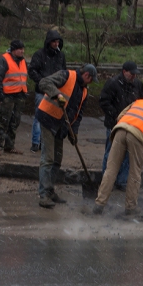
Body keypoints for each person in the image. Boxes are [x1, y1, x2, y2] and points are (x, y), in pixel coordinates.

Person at [92, 96, 143, 216]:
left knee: (111, 169)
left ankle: (99, 205)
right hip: (138, 136)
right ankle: (130, 208)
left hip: (120, 130)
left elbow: (120, 116)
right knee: (134, 172)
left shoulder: (139, 102)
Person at [36, 64, 98, 209]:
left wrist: (73, 132)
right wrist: (57, 95)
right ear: (87, 75)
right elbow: (44, 82)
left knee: (57, 160)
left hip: (61, 126)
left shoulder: (84, 92)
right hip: (48, 118)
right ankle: (44, 195)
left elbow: (79, 113)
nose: (90, 83)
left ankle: (50, 191)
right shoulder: (66, 75)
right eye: (91, 80)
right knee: (48, 158)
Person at [99, 61, 143, 192]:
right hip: (114, 125)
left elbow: (142, 102)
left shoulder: (137, 85)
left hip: (131, 126)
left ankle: (121, 181)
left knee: (127, 154)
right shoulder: (112, 83)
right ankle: (107, 181)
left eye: (135, 74)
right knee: (110, 153)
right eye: (132, 74)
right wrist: (116, 115)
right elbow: (104, 101)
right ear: (124, 71)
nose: (134, 77)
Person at [28, 29, 67, 153]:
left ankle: (44, 142)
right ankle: (36, 142)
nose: (56, 44)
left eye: (57, 42)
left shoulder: (60, 56)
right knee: (39, 117)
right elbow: (32, 70)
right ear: (49, 42)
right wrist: (42, 82)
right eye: (54, 42)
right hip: (42, 90)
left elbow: (64, 72)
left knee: (50, 117)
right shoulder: (40, 55)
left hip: (55, 91)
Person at [0, 40, 28, 156]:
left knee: (15, 122)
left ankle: (9, 145)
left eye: (23, 49)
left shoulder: (22, 61)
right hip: (8, 96)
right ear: (13, 50)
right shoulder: (3, 60)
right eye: (20, 49)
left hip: (19, 95)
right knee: (4, 121)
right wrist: (0, 96)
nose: (22, 51)